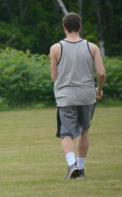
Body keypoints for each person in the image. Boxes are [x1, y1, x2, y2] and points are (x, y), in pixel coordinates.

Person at [49, 12, 106, 179]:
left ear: (64, 27)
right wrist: (99, 89)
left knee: (66, 134)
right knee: (84, 131)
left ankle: (72, 165)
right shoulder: (92, 47)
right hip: (87, 96)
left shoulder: (56, 48)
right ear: (80, 26)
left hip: (66, 97)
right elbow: (101, 73)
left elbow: (54, 77)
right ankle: (80, 169)